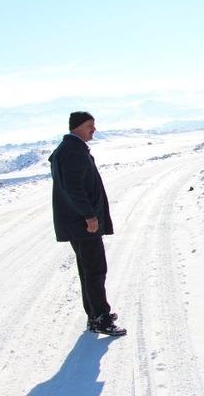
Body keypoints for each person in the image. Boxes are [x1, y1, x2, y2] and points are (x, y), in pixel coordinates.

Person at [49, 111, 126, 336]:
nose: (94, 129)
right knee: (95, 270)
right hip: (82, 224)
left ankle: (95, 315)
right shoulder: (73, 151)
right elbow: (74, 188)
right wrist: (89, 216)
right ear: (78, 127)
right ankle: (100, 319)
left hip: (77, 223)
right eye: (90, 125)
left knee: (88, 269)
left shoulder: (70, 149)